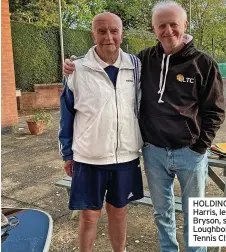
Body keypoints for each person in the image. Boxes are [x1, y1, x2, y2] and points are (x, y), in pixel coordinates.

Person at [63, 2, 225, 252]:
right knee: (162, 214)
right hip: (152, 153)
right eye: (162, 25)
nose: (168, 30)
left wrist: (200, 147)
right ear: (154, 28)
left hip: (188, 153)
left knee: (195, 216)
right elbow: (72, 105)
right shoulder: (144, 60)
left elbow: (214, 110)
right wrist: (73, 64)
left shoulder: (201, 63)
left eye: (174, 24)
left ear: (185, 25)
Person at [58, 12, 144, 252]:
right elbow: (66, 115)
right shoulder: (77, 69)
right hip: (89, 158)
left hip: (125, 157)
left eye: (114, 31)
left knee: (119, 214)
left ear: (121, 33)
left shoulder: (135, 65)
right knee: (89, 217)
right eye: (102, 31)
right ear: (92, 34)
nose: (108, 37)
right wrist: (67, 153)